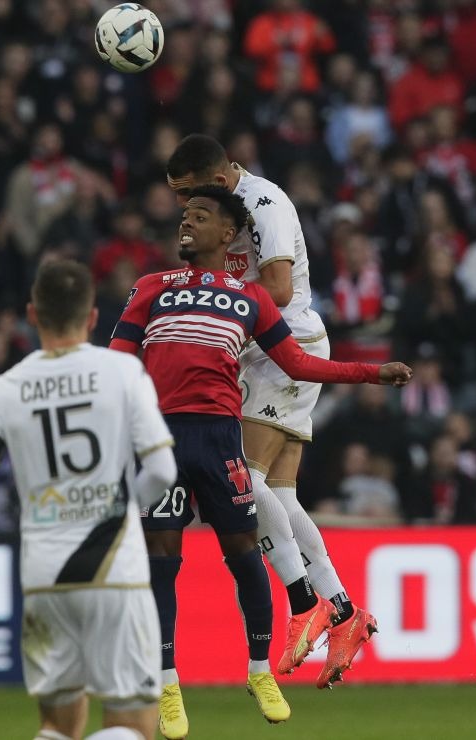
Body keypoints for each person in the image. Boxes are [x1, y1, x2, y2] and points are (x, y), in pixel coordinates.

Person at [109, 185, 411, 734]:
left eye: (198, 215)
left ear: (228, 236)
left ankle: (258, 669)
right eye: (183, 215)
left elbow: (296, 364)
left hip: (221, 440)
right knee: (162, 564)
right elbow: (115, 365)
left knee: (245, 558)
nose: (185, 222)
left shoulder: (250, 298)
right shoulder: (149, 288)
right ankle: (167, 682)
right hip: (158, 442)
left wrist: (370, 371)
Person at [0, 259, 179, 740]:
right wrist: (120, 516)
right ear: (94, 317)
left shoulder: (6, 387)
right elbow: (162, 470)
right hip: (113, 572)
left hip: (44, 576)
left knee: (58, 727)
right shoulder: (123, 371)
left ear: (32, 314)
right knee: (133, 724)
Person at [165, 134, 383, 692]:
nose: (184, 211)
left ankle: (303, 601)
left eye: (190, 194)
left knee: (243, 478)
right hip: (262, 351)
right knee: (280, 497)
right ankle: (344, 611)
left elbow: (281, 289)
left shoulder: (265, 205)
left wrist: (210, 291)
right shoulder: (222, 214)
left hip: (287, 349)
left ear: (216, 177)